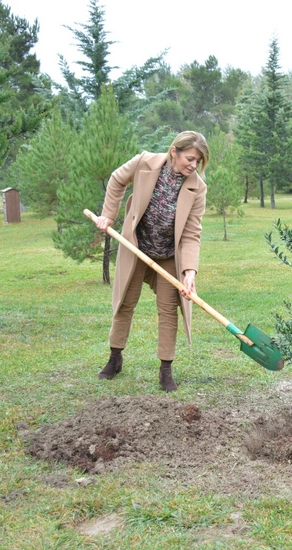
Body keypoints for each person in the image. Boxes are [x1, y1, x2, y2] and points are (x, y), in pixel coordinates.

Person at [91, 131, 209, 392]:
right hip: (136, 247)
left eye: (198, 161)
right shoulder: (144, 162)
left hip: (168, 255)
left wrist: (189, 273)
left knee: (168, 310)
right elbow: (117, 179)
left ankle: (166, 370)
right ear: (174, 151)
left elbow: (191, 233)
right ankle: (115, 358)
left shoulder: (197, 188)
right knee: (125, 302)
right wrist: (108, 215)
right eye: (190, 158)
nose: (193, 165)